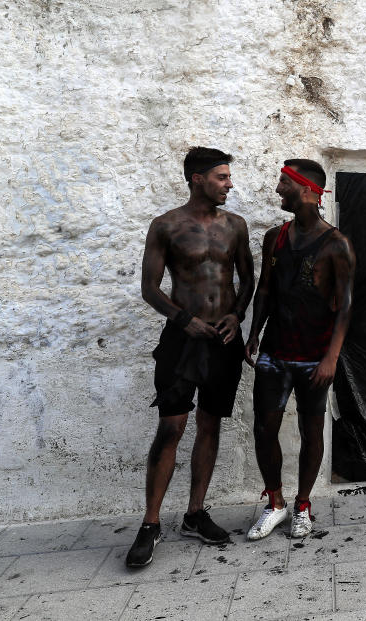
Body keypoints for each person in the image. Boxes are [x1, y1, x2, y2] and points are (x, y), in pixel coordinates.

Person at [126, 147, 254, 568]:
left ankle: (195, 513)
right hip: (183, 340)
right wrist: (184, 321)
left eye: (228, 176)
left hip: (223, 340)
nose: (229, 184)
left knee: (210, 423)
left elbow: (247, 282)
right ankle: (150, 523)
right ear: (197, 178)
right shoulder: (166, 226)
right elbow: (150, 288)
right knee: (170, 427)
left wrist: (236, 317)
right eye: (221, 177)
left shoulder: (236, 226)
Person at [244, 159, 355, 539]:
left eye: (283, 183)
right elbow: (265, 289)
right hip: (274, 352)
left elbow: (346, 307)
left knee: (311, 430)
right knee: (264, 428)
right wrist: (254, 332)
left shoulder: (336, 243)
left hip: (314, 358)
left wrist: (331, 357)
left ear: (306, 189)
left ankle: (303, 504)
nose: (277, 189)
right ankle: (275, 502)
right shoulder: (274, 236)